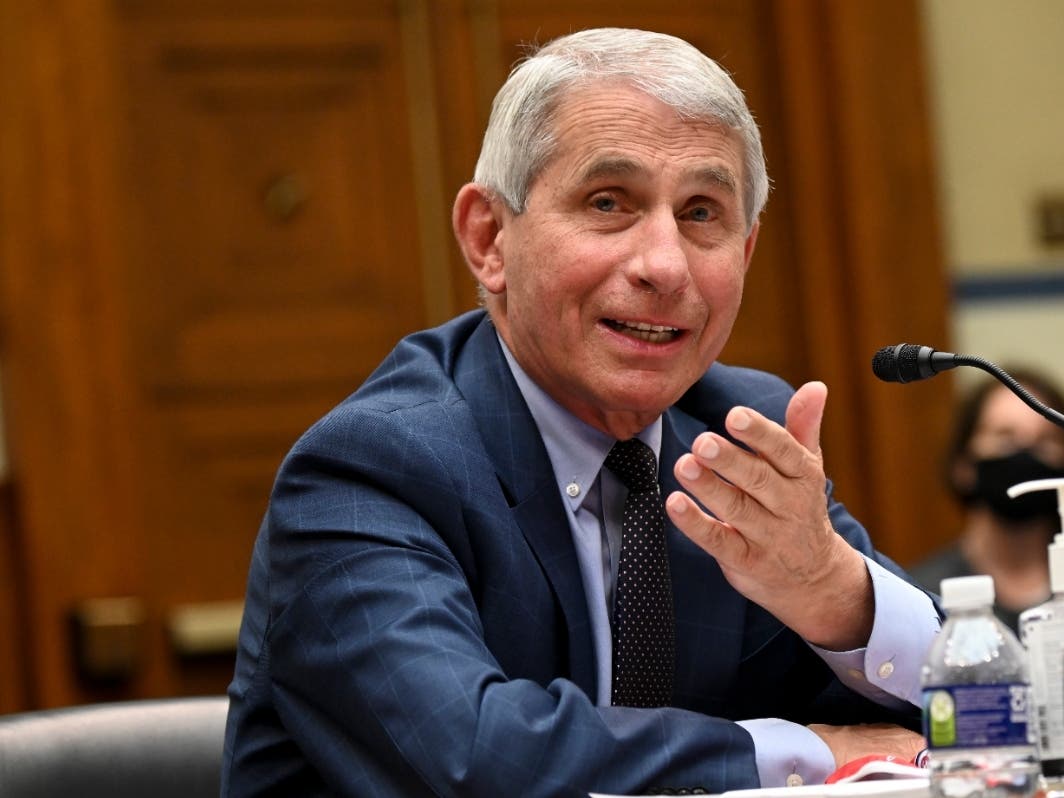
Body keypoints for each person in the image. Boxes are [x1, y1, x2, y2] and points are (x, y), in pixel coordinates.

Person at [221, 28, 939, 797]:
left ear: (747, 251)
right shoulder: (373, 468)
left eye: (702, 213)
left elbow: (979, 708)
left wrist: (833, 591)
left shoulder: (738, 431)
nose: (664, 266)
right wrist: (804, 755)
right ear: (489, 238)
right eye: (608, 203)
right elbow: (475, 761)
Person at [910, 368, 1064, 632]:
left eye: (1045, 441)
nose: (1024, 453)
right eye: (1005, 437)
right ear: (963, 464)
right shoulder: (920, 597)